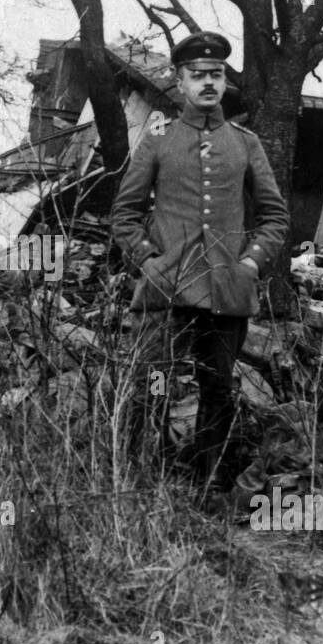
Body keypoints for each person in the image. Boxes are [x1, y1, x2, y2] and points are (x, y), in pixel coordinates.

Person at [111, 31, 289, 496]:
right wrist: (149, 261)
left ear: (224, 80)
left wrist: (250, 263)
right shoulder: (159, 141)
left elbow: (274, 216)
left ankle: (211, 486)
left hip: (227, 290)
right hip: (166, 289)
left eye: (216, 74)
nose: (208, 83)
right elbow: (123, 215)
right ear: (180, 81)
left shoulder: (246, 143)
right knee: (151, 386)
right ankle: (139, 482)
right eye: (197, 75)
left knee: (218, 392)